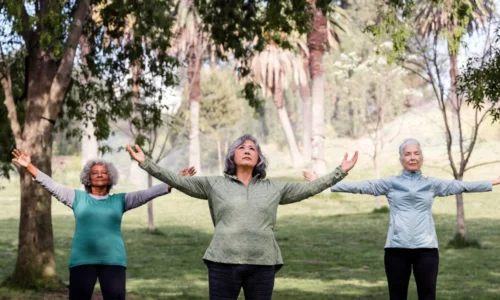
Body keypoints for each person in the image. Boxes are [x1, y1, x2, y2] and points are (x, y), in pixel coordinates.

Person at [126, 133, 358, 300]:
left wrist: (341, 171)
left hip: (263, 263)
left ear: (259, 159)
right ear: (232, 156)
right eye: (242, 147)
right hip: (222, 262)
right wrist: (145, 163)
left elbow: (310, 188)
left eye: (252, 149)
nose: (247, 150)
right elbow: (176, 179)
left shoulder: (275, 188)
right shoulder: (213, 184)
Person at [302, 138, 500, 300]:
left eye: (416, 153)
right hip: (396, 250)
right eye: (407, 154)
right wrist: (324, 182)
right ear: (401, 160)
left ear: (421, 158)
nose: (412, 157)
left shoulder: (432, 184)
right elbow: (360, 186)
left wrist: (495, 180)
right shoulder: (391, 183)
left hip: (427, 250)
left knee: (428, 296)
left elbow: (463, 186)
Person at [11, 149, 196, 300]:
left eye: (103, 173)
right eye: (95, 173)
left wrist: (175, 182)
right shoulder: (77, 198)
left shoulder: (120, 200)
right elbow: (51, 185)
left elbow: (147, 193)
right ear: (88, 178)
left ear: (110, 178)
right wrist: (29, 167)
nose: (99, 175)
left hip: (113, 261)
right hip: (82, 261)